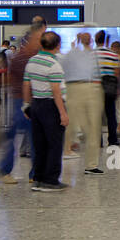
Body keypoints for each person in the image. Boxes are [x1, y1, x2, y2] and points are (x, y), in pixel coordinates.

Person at [0, 17, 45, 183]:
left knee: (33, 137)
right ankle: (6, 171)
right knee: (18, 136)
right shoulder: (21, 58)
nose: (40, 43)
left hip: (30, 101)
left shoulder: (33, 57)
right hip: (21, 102)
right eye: (38, 40)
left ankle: (34, 173)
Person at [23, 31, 69, 192]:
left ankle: (38, 178)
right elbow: (56, 91)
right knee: (55, 144)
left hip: (36, 105)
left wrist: (26, 105)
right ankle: (51, 181)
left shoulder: (32, 61)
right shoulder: (53, 65)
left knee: (39, 143)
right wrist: (63, 113)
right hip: (51, 106)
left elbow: (26, 85)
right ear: (57, 45)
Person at [62, 31, 104, 174]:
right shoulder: (71, 55)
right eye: (85, 38)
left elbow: (97, 74)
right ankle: (65, 151)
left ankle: (92, 165)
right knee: (71, 125)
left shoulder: (93, 55)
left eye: (89, 37)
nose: (88, 39)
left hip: (91, 88)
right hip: (74, 88)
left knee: (93, 127)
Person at [94, 29, 120, 149]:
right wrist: (117, 88)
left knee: (96, 116)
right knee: (111, 114)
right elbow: (117, 73)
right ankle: (113, 140)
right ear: (106, 40)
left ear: (95, 40)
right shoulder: (113, 55)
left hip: (95, 88)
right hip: (110, 88)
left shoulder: (91, 54)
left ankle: (97, 141)